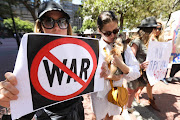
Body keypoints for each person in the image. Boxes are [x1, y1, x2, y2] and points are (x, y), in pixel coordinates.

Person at [0, 1, 84, 120]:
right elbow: (23, 97)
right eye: (48, 21)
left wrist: (102, 74)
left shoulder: (79, 52)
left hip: (77, 113)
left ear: (67, 26)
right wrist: (9, 96)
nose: (56, 28)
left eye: (62, 21)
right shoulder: (30, 59)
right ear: (40, 26)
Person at [91, 11, 140, 120]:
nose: (113, 35)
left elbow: (136, 72)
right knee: (96, 117)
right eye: (108, 33)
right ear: (99, 30)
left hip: (116, 93)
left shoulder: (124, 47)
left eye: (115, 31)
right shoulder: (93, 47)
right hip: (99, 95)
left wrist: (122, 66)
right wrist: (108, 76)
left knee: (110, 117)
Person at [127, 17, 161, 113]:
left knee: (136, 89)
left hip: (143, 73)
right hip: (135, 71)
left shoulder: (149, 42)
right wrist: (140, 65)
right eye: (152, 29)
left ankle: (128, 106)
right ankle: (127, 107)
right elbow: (131, 58)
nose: (154, 31)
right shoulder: (137, 41)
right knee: (130, 91)